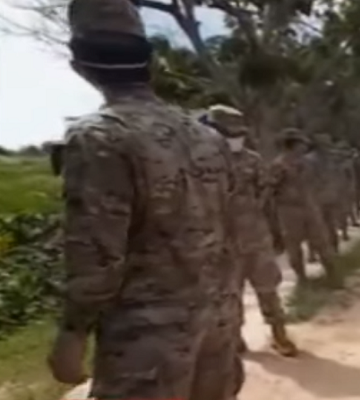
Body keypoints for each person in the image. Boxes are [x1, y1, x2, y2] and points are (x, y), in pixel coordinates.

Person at [47, 1, 244, 399]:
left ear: (79, 65)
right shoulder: (208, 137)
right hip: (218, 325)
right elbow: (232, 229)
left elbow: (98, 254)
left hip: (147, 344)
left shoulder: (99, 137)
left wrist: (73, 331)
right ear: (149, 62)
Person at [203, 105, 298, 357]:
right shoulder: (201, 163)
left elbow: (266, 198)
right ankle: (234, 339)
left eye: (239, 133)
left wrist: (275, 232)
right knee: (228, 295)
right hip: (222, 244)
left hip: (256, 238)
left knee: (268, 288)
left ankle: (279, 334)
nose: (236, 138)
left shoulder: (252, 160)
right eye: (230, 133)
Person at [270, 129, 339, 286]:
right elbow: (271, 189)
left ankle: (332, 275)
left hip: (310, 206)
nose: (305, 146)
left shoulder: (308, 163)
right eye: (301, 143)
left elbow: (317, 181)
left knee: (321, 241)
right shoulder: (279, 165)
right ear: (293, 144)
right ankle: (302, 279)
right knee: (294, 246)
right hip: (289, 210)